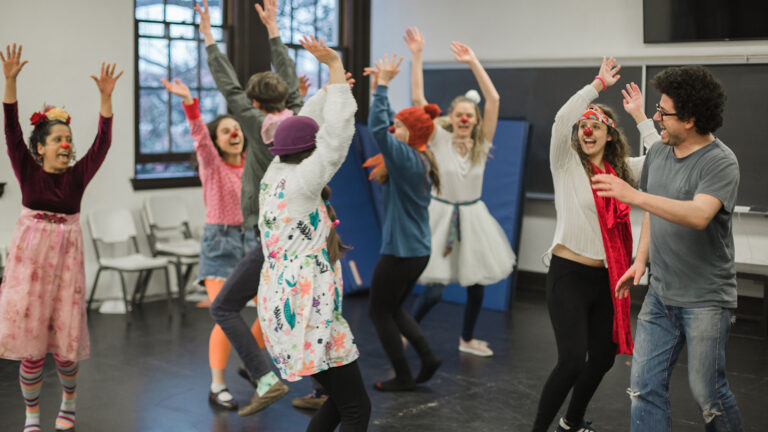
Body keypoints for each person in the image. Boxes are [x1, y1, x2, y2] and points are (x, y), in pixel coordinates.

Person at [592, 65, 744, 432]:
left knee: (707, 393)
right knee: (643, 387)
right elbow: (655, 214)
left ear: (690, 119)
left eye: (664, 112)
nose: (656, 117)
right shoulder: (660, 152)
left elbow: (697, 215)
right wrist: (639, 261)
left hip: (705, 298)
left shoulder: (720, 162)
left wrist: (635, 196)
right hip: (662, 295)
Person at [531, 57, 659, 432]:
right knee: (571, 360)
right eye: (583, 126)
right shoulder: (566, 165)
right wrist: (597, 85)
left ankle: (571, 421)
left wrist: (640, 118)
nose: (587, 131)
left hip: (607, 279)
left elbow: (661, 161)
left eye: (595, 126)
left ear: (608, 135)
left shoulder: (623, 171)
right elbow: (560, 120)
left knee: (603, 357)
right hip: (568, 274)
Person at [0, 43, 121, 432]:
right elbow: (11, 128)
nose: (65, 144)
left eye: (68, 139)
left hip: (66, 259)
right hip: (29, 261)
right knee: (30, 348)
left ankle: (69, 401)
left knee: (65, 349)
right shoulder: (26, 168)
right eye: (57, 139)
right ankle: (32, 414)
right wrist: (11, 83)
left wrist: (105, 101)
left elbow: (102, 144)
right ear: (40, 149)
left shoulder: (78, 176)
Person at [194, 0, 307, 415]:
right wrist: (274, 30)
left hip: (270, 232)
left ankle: (263, 376)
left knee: (225, 306)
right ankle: (275, 375)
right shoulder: (300, 118)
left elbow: (226, 82)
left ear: (254, 105)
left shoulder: (254, 124)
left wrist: (208, 36)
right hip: (305, 229)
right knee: (294, 307)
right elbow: (291, 80)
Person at [257, 34, 370, 432]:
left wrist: (330, 88)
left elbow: (307, 120)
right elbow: (336, 137)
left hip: (287, 302)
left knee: (341, 403)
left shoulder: (276, 172)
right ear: (311, 150)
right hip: (307, 309)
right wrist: (335, 69)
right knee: (356, 408)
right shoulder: (305, 180)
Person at [403, 27, 516, 357]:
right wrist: (417, 54)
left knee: (476, 285)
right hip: (441, 214)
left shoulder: (482, 143)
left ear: (475, 119)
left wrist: (473, 61)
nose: (465, 118)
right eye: (459, 114)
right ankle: (407, 331)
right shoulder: (437, 137)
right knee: (435, 290)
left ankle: (466, 339)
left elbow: (493, 99)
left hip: (472, 216)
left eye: (470, 114)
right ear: (451, 117)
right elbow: (417, 101)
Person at [160, 76, 263, 410]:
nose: (234, 133)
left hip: (253, 243)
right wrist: (190, 102)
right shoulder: (213, 166)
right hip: (220, 244)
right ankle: (217, 386)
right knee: (226, 315)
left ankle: (250, 363)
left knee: (272, 314)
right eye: (225, 130)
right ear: (217, 143)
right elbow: (200, 139)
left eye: (237, 128)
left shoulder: (253, 167)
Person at [364, 53, 442, 392]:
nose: (394, 128)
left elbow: (379, 128)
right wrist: (377, 88)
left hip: (401, 253)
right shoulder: (418, 156)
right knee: (393, 308)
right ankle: (427, 358)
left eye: (401, 126)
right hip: (415, 251)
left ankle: (405, 376)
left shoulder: (408, 160)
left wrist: (382, 87)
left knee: (379, 313)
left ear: (411, 133)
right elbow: (387, 125)